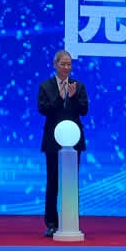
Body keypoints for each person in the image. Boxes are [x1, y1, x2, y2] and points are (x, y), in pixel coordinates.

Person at [37, 49, 88, 237]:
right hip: (53, 140)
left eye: (69, 64)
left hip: (73, 141)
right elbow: (43, 109)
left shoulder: (78, 86)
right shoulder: (46, 86)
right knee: (53, 182)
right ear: (55, 65)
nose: (66, 67)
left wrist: (73, 98)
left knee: (71, 181)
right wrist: (59, 97)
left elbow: (84, 110)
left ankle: (71, 220)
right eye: (63, 64)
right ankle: (51, 223)